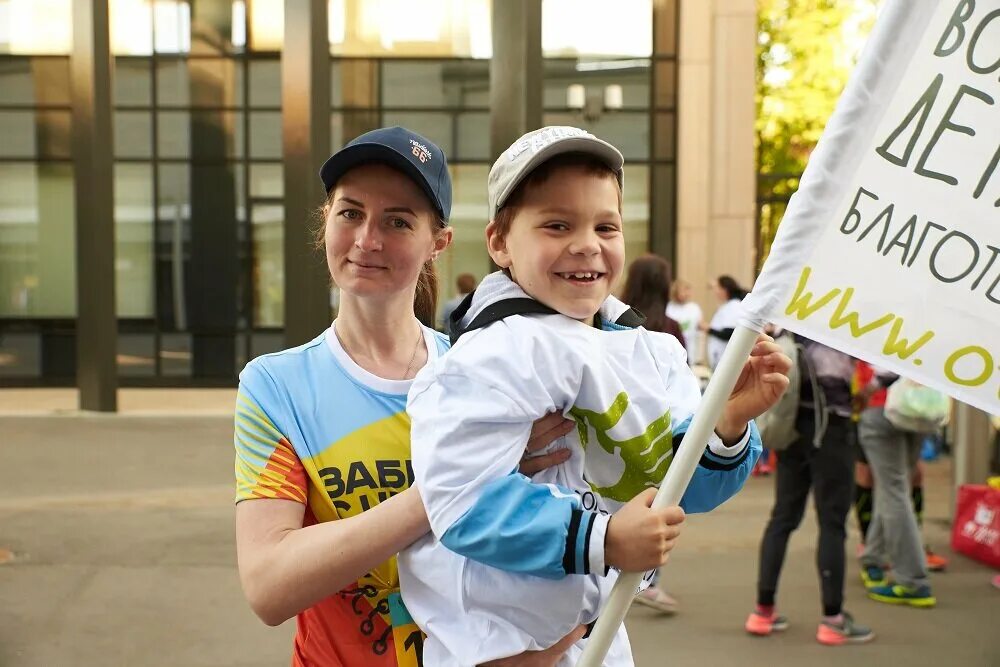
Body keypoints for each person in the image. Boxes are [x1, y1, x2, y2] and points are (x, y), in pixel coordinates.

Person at [399, 126, 791, 666]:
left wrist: (724, 426)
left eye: (605, 225)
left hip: (596, 637)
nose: (587, 243)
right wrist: (603, 539)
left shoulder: (649, 352)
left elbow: (682, 490)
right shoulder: (489, 356)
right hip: (493, 644)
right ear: (499, 243)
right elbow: (462, 502)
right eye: (556, 225)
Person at [233, 127, 580, 667]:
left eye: (397, 221)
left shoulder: (486, 376)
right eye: (350, 213)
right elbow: (270, 585)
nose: (368, 239)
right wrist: (461, 482)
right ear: (325, 220)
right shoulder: (276, 386)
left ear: (437, 242)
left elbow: (565, 558)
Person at [745, 337, 874, 646]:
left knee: (782, 518)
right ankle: (833, 620)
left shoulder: (795, 321)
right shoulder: (845, 326)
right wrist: (869, 389)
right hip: (833, 430)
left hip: (792, 429)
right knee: (832, 523)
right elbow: (884, 370)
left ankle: (763, 612)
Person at [620, 253, 684, 614]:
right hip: (657, 434)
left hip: (615, 423)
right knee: (658, 505)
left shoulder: (612, 321)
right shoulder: (669, 327)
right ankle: (646, 579)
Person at [854, 361, 937, 607]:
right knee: (894, 488)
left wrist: (867, 390)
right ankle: (873, 558)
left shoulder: (877, 325)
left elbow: (885, 370)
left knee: (893, 492)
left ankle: (913, 580)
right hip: (917, 408)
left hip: (882, 409)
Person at [705, 275, 746, 371]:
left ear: (724, 290)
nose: (715, 292)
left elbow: (729, 333)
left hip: (724, 360)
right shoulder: (727, 306)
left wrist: (708, 329)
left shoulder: (734, 306)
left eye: (717, 288)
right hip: (719, 359)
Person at [666, 278, 704, 367]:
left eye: (688, 290)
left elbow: (701, 333)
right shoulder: (668, 308)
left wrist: (700, 358)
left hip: (691, 353)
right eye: (683, 290)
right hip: (672, 354)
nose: (686, 294)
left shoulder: (694, 308)